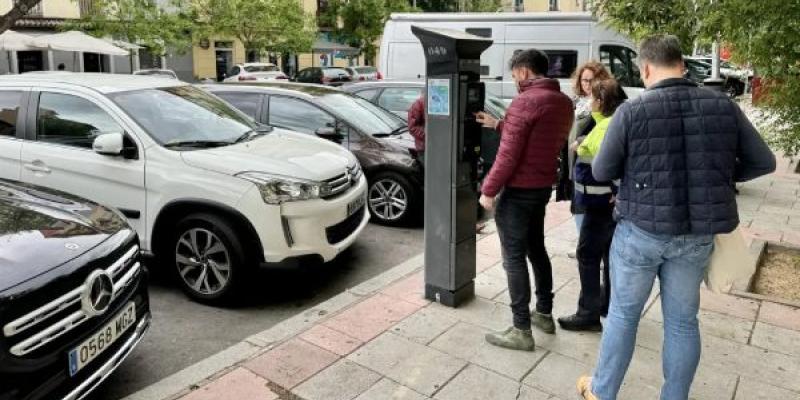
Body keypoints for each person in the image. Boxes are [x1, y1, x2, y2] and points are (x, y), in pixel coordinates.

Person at [577, 35, 776, 400]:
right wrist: (718, 177)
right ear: (682, 65)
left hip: (640, 231)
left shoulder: (632, 111)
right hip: (696, 235)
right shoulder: (722, 105)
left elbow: (602, 169)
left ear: (645, 68)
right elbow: (764, 161)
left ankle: (602, 392)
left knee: (623, 315)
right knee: (683, 322)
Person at [475, 49, 574, 351]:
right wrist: (498, 124)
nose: (515, 79)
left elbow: (508, 155)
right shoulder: (562, 101)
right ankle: (543, 313)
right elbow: (535, 138)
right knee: (536, 250)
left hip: (518, 192)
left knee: (514, 259)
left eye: (515, 74)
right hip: (541, 187)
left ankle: (521, 329)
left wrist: (488, 190)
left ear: (524, 71)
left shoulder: (524, 102)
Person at [558, 78, 625, 332]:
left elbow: (611, 163)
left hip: (600, 204)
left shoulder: (606, 126)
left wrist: (581, 145)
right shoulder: (611, 122)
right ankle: (606, 304)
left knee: (587, 255)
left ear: (601, 101)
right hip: (604, 202)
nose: (590, 101)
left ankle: (588, 313)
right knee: (607, 254)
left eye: (593, 98)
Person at [556, 61, 612, 258]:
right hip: (573, 162)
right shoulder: (576, 102)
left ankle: (591, 249)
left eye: (592, 80)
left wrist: (582, 141)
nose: (587, 84)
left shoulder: (604, 104)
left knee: (588, 207)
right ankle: (584, 243)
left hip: (591, 166)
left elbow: (605, 132)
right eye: (584, 80)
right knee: (576, 204)